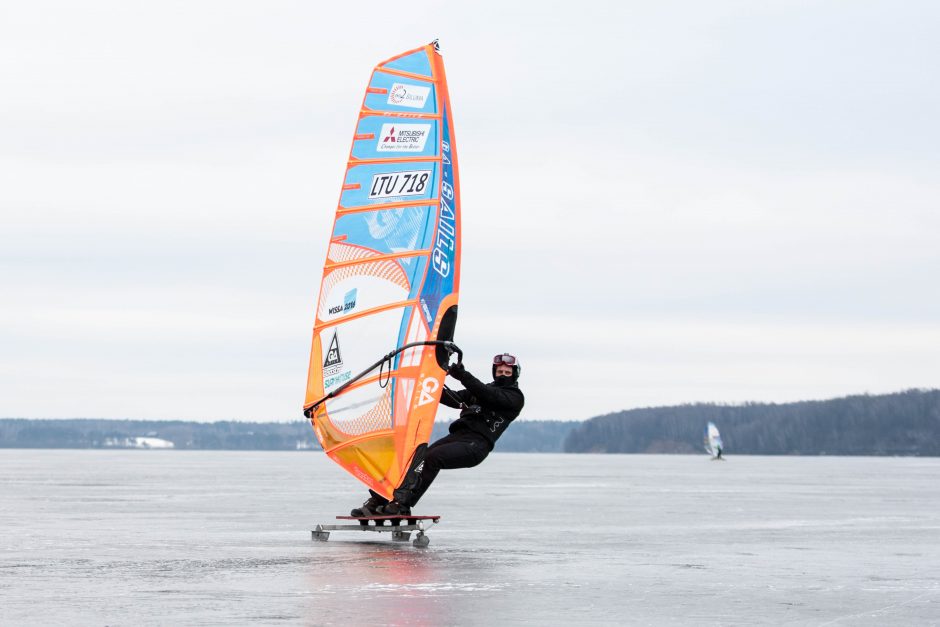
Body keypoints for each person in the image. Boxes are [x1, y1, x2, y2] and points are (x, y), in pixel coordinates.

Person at [350, 352, 525, 517]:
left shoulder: (515, 397)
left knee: (433, 458)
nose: (502, 374)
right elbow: (453, 398)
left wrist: (462, 375)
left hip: (476, 445)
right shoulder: (481, 390)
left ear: (514, 374)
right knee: (414, 458)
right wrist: (427, 382)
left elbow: (490, 395)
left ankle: (403, 505)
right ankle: (378, 499)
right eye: (500, 371)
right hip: (459, 436)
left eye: (507, 372)